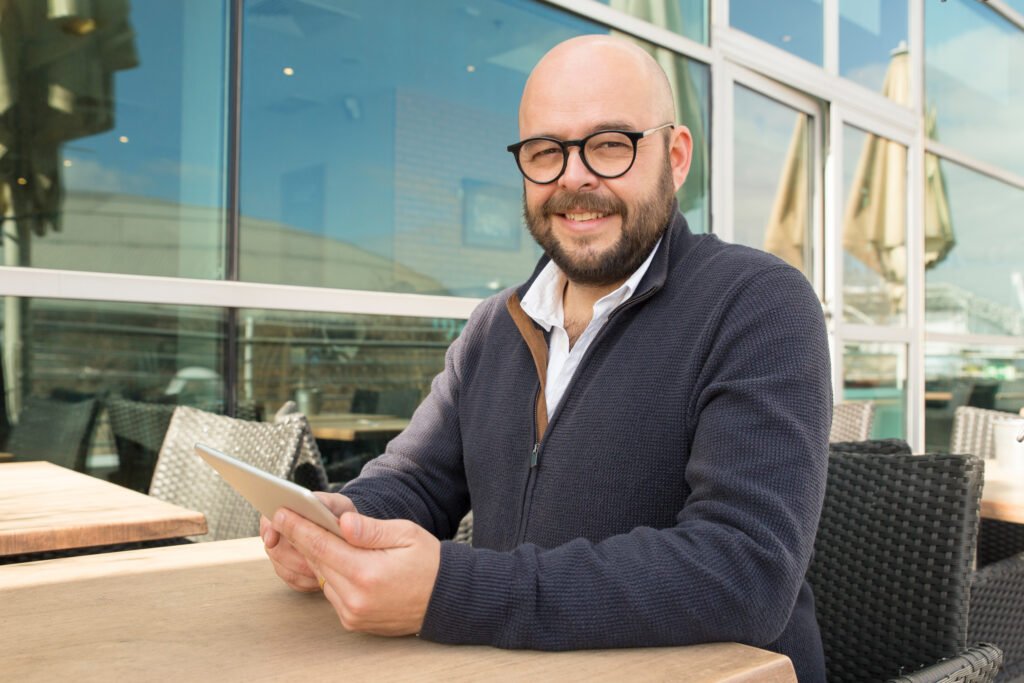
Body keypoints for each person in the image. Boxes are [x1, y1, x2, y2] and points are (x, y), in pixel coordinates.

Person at [262, 34, 831, 681]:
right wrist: (344, 523)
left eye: (610, 144)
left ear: (675, 158)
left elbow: (745, 569)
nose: (574, 176)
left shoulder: (757, 302)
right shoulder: (494, 326)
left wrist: (453, 590)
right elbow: (418, 479)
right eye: (546, 151)